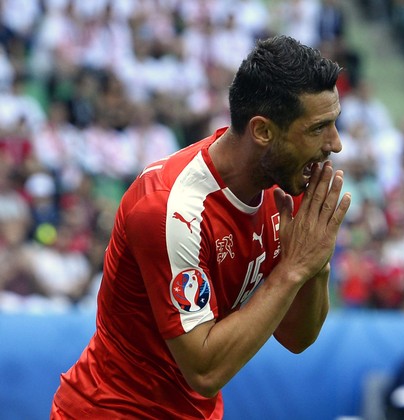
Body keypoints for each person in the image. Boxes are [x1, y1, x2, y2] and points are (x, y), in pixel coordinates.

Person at [50, 35, 351, 419]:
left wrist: (315, 264)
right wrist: (293, 269)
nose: (336, 144)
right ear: (262, 131)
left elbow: (296, 338)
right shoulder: (171, 209)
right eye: (318, 128)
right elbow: (204, 370)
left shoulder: (284, 189)